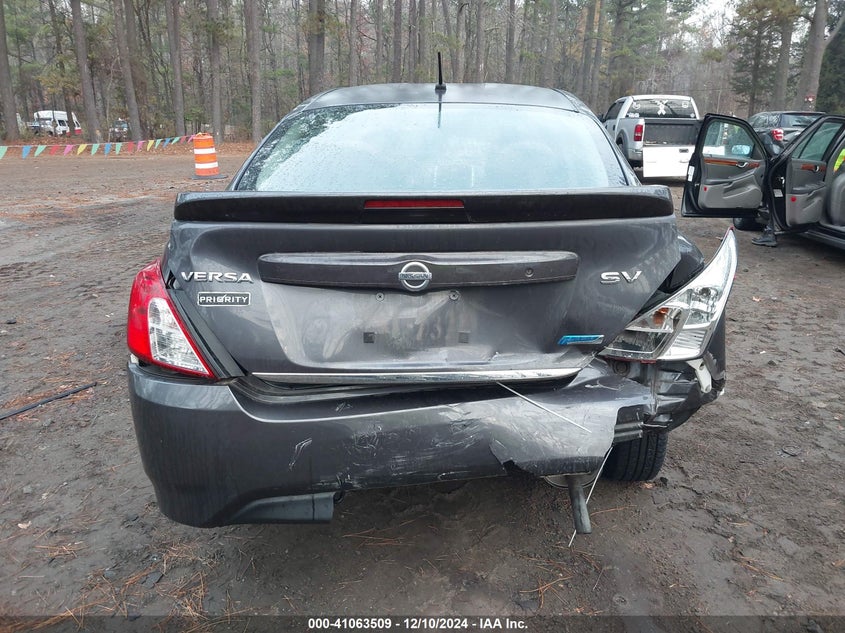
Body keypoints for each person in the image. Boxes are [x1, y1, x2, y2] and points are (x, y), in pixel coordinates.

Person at [753, 144, 845, 247]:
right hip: (833, 179)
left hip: (834, 180)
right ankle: (771, 231)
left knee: (780, 201)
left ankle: (770, 233)